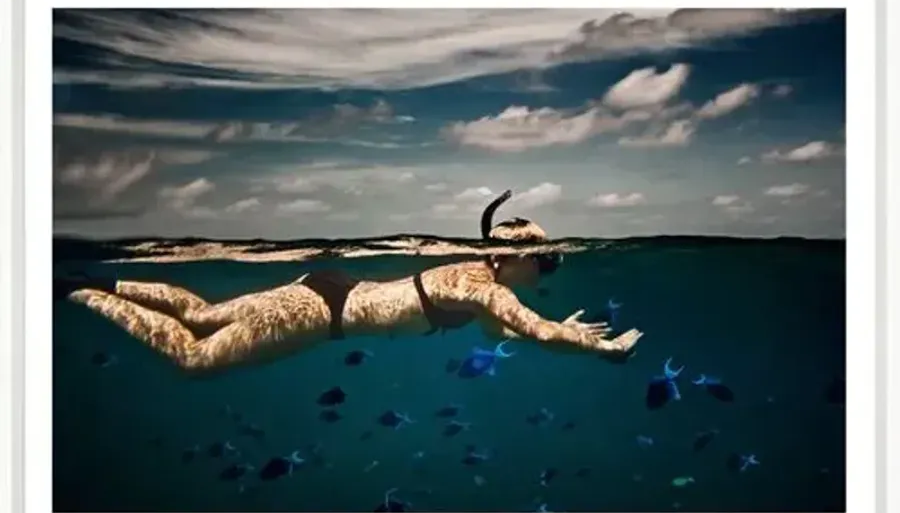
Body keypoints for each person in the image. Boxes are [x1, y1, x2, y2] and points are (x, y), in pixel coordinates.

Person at [54, 189, 644, 374]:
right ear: (505, 258)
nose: (549, 267)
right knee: (193, 354)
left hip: (327, 290)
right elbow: (529, 331)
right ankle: (84, 291)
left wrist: (552, 329)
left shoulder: (481, 285)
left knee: (206, 314)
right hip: (321, 314)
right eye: (546, 258)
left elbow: (514, 332)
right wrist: (598, 348)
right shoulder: (482, 284)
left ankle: (105, 284)